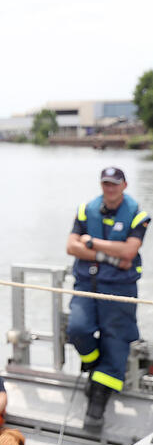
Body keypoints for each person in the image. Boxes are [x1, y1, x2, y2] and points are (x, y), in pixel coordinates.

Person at [66, 166, 149, 431]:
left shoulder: (138, 215)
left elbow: (130, 251)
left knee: (116, 342)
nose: (109, 188)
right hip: (86, 284)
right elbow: (70, 246)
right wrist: (108, 255)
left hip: (120, 289)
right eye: (105, 184)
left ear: (124, 185)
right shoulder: (85, 210)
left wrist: (92, 244)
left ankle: (97, 401)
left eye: (114, 184)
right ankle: (91, 363)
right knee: (77, 328)